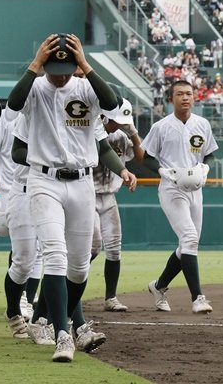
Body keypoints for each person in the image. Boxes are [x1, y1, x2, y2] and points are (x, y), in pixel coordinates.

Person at [6, 33, 131, 362]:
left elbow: (113, 102)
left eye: (66, 67)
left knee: (79, 266)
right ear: (44, 64)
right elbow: (13, 103)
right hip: (44, 180)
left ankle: (45, 320)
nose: (60, 74)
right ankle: (64, 335)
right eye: (53, 67)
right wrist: (35, 65)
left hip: (82, 182)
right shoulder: (35, 87)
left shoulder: (85, 86)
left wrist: (85, 65)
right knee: (55, 256)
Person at [143, 80, 218, 314]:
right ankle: (198, 297)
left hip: (196, 189)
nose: (185, 97)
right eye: (179, 94)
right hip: (171, 188)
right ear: (170, 98)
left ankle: (158, 286)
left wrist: (206, 168)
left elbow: (211, 155)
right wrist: (162, 171)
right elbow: (146, 157)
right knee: (189, 237)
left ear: (194, 97)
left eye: (188, 93)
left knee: (188, 243)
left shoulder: (202, 124)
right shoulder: (161, 126)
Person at [0, 107, 43, 340]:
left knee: (43, 253)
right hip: (14, 189)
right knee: (24, 255)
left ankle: (29, 301)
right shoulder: (6, 116)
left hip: (48, 188)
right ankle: (15, 305)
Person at [90, 99, 143, 312]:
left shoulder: (121, 136)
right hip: (89, 196)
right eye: (115, 121)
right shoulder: (92, 132)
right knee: (92, 247)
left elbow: (140, 157)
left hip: (110, 196)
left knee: (113, 248)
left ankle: (110, 298)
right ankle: (70, 284)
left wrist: (134, 133)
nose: (118, 124)